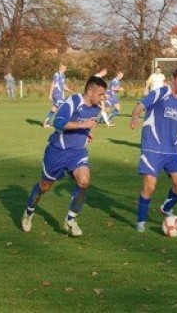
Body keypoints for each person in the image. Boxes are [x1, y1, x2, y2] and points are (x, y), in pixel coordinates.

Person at [21, 76, 108, 237]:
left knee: (84, 181)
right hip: (57, 151)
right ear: (90, 92)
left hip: (77, 153)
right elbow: (58, 123)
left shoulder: (96, 108)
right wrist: (83, 126)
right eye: (101, 94)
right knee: (45, 186)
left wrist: (88, 133)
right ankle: (28, 212)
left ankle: (70, 219)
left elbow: (89, 125)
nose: (104, 97)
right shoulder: (73, 102)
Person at [129, 67, 177, 233]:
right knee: (149, 187)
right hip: (152, 148)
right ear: (173, 79)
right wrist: (135, 116)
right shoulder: (160, 93)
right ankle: (141, 221)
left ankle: (166, 208)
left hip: (172, 151)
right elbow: (140, 104)